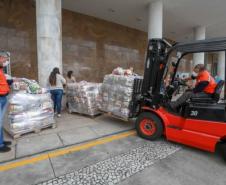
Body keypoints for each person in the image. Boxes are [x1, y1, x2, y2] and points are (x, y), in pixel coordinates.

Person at [0, 55, 12, 152]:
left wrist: (11, 81)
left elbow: (3, 82)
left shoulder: (1, 71)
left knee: (1, 122)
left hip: (3, 97)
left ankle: (1, 141)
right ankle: (0, 145)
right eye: (3, 59)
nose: (5, 62)